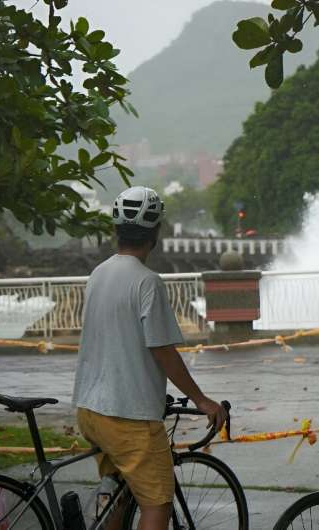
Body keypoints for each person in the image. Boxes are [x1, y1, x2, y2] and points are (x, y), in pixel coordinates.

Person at [72, 186, 228, 530]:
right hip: (128, 415)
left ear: (116, 230)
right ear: (155, 233)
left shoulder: (98, 274)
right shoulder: (146, 282)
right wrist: (201, 399)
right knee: (157, 503)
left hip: (90, 409)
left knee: (123, 493)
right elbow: (162, 350)